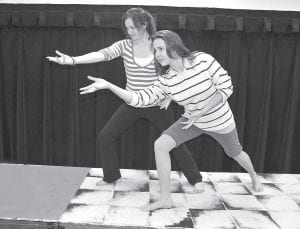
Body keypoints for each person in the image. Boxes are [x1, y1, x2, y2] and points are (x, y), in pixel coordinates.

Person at [79, 30, 264, 211]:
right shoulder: (166, 80)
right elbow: (140, 99)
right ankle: (165, 199)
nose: (156, 54)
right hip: (192, 121)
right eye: (154, 50)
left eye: (160, 48)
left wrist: (201, 112)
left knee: (235, 153)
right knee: (161, 145)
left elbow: (226, 88)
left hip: (219, 121)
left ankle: (254, 175)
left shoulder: (202, 60)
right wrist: (109, 86)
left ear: (173, 46)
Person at [47, 8, 203, 191]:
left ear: (144, 24)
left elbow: (177, 69)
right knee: (106, 136)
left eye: (133, 28)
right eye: (127, 28)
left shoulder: (159, 45)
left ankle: (195, 178)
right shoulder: (124, 46)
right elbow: (102, 54)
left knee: (175, 140)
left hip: (156, 104)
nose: (129, 32)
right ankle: (112, 176)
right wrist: (73, 60)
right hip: (132, 101)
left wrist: (170, 96)